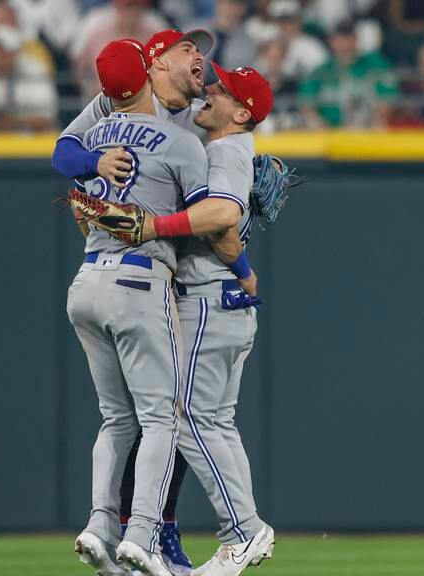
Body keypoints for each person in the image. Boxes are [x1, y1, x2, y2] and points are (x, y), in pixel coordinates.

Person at [87, 64, 280, 575]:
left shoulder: (229, 149)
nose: (209, 90)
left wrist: (154, 225)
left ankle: (243, 530)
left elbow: (222, 217)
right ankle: (236, 531)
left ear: (242, 112)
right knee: (214, 421)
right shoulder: (211, 143)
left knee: (188, 419)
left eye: (223, 90)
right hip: (222, 298)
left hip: (208, 295)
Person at [56, 29, 214, 575]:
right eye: (184, 50)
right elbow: (202, 225)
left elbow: (68, 166)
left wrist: (92, 171)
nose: (198, 56)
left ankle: (101, 524)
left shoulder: (101, 130)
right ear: (150, 68)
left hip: (86, 283)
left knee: (114, 419)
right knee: (163, 419)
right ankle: (143, 534)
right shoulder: (182, 141)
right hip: (141, 283)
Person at [298, 20, 398, 129]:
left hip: (366, 132)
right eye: (339, 39)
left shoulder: (375, 64)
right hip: (329, 135)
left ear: (356, 40)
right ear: (331, 41)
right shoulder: (320, 72)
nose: (344, 44)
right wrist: (321, 125)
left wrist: (369, 122)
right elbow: (306, 104)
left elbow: (388, 100)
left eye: (349, 38)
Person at [254, 0, 328, 91]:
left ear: (298, 20)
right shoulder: (265, 44)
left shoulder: (312, 46)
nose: (285, 25)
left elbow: (322, 76)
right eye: (280, 21)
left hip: (303, 94)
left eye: (289, 20)